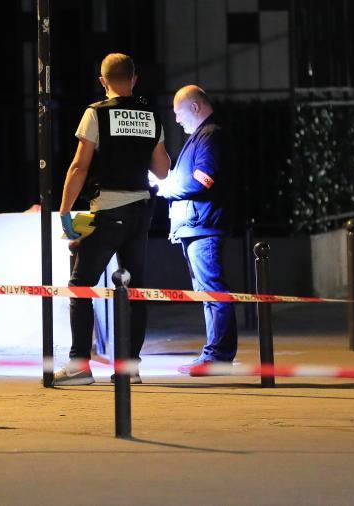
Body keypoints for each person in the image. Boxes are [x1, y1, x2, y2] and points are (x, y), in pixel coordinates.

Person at [54, 53, 170, 386]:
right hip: (141, 212)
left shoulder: (96, 114)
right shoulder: (150, 115)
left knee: (81, 286)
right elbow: (162, 168)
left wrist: (65, 211)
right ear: (134, 80)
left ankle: (79, 366)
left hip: (108, 211)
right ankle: (129, 368)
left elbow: (80, 166)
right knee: (135, 289)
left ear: (103, 81)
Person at [156, 85, 237, 374]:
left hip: (203, 225)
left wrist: (167, 188)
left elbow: (202, 180)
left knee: (211, 290)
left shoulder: (209, 135)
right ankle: (215, 354)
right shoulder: (204, 136)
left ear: (194, 107)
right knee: (207, 290)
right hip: (198, 225)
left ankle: (217, 356)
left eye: (178, 113)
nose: (176, 120)